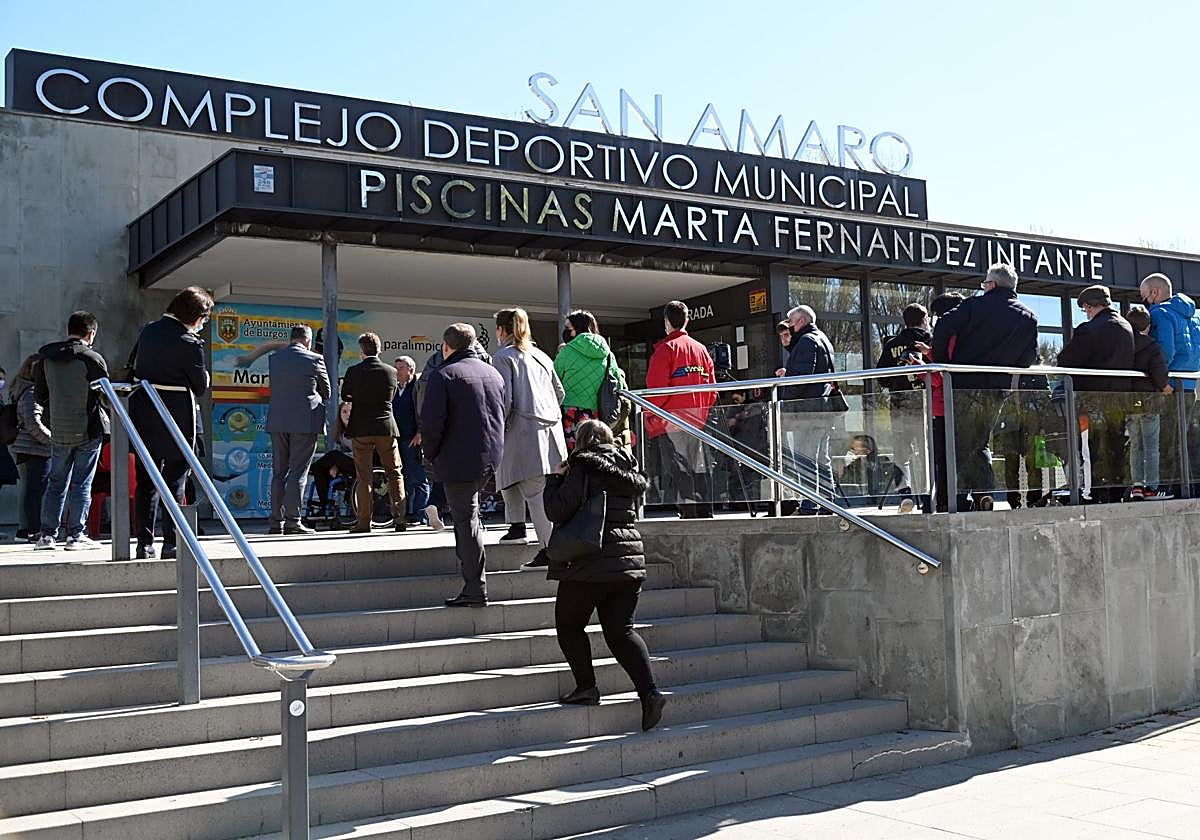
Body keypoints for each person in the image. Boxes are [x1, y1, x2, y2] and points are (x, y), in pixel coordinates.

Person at [543, 418, 666, 731]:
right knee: (622, 632)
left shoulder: (582, 467)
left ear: (582, 442)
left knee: (569, 626)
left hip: (588, 561)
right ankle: (650, 693)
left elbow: (557, 510)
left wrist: (555, 480)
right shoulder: (628, 465)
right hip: (628, 561)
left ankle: (586, 687)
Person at [932, 263, 1038, 511]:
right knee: (979, 442)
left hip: (964, 383)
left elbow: (944, 325)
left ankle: (959, 500)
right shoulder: (1028, 316)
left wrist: (944, 364)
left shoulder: (974, 305)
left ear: (991, 284)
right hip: (996, 387)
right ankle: (983, 494)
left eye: (984, 284)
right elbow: (1027, 358)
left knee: (959, 444)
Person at [421, 323, 506, 607]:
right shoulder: (492, 373)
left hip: (457, 460)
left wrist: (431, 454)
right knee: (470, 516)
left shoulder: (443, 374)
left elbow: (431, 424)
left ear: (446, 347)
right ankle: (474, 584)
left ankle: (475, 588)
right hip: (489, 458)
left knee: (465, 522)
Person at [129, 287, 212, 559]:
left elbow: (137, 367)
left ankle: (144, 544)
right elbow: (199, 386)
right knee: (175, 480)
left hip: (144, 412)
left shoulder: (148, 332)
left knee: (146, 481)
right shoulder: (189, 342)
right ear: (197, 316)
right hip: (178, 416)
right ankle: (171, 542)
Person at [34, 311, 110, 551]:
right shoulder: (92, 359)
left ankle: (47, 536)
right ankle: (76, 535)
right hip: (88, 430)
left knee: (56, 483)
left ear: (69, 330)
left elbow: (40, 396)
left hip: (58, 430)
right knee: (82, 483)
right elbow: (106, 397)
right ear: (91, 333)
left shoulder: (46, 359)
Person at [492, 308, 567, 548]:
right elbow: (560, 393)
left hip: (520, 431)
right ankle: (516, 527)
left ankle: (548, 549)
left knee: (533, 491)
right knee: (512, 479)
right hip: (550, 430)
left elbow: (504, 400)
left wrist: (495, 429)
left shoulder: (503, 357)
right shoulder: (542, 356)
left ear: (501, 330)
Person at [1057, 285, 1135, 503]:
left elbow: (1065, 360)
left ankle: (1091, 493)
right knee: (1116, 447)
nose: (1086, 313)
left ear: (1089, 306)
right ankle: (1116, 493)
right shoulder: (1126, 327)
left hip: (1092, 402)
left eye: (1085, 309)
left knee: (1090, 450)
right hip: (1120, 402)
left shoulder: (1090, 329)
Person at [646, 301, 717, 519]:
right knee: (699, 469)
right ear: (686, 320)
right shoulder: (701, 350)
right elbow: (713, 390)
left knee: (679, 471)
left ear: (666, 322)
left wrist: (650, 417)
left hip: (671, 422)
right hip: (697, 423)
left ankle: (689, 515)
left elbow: (657, 392)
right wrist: (701, 414)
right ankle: (704, 512)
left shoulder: (665, 350)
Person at [265, 325, 331, 536]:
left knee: (278, 473)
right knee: (298, 471)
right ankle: (293, 521)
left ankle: (275, 522)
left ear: (291, 338)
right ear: (308, 341)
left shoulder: (275, 359)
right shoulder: (315, 359)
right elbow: (327, 391)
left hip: (278, 421)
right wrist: (314, 396)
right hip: (304, 421)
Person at [341, 332, 406, 534]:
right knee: (394, 472)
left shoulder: (353, 371)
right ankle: (400, 518)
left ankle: (363, 522)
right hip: (386, 427)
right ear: (380, 350)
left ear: (361, 352)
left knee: (364, 476)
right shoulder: (391, 372)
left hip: (361, 428)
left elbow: (345, 395)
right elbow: (391, 396)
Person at [1140, 272, 1200, 492]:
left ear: (1154, 293)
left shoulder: (1159, 313)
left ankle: (1167, 488)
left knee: (1166, 440)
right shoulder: (1193, 317)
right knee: (1184, 441)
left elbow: (1164, 352)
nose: (1144, 301)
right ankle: (1188, 488)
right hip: (1190, 386)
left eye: (1144, 296)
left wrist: (1160, 381)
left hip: (1169, 387)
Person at [776, 305, 837, 514]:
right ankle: (829, 502)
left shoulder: (806, 341)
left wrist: (786, 401)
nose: (789, 327)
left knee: (805, 458)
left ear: (801, 321)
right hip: (823, 409)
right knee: (821, 459)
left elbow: (802, 378)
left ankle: (809, 504)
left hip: (807, 411)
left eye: (791, 322)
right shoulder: (822, 338)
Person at [875, 303, 933, 512]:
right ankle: (928, 498)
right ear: (924, 319)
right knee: (927, 453)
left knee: (900, 453)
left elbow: (882, 378)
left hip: (899, 404)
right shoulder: (929, 342)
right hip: (925, 404)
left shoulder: (892, 344)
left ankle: (904, 495)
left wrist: (896, 380)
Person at [554, 310, 622, 451]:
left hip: (569, 412)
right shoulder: (608, 354)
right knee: (594, 453)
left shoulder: (566, 352)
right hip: (598, 413)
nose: (566, 331)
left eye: (568, 328)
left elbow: (553, 382)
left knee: (572, 454)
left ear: (577, 328)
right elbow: (619, 384)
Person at [924, 293, 965, 512]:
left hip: (945, 405)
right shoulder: (966, 333)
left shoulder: (950, 335)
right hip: (954, 403)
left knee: (945, 456)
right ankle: (954, 498)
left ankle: (946, 500)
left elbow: (942, 375)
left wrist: (922, 367)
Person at [1126, 305, 1172, 501]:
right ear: (1148, 326)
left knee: (1135, 445)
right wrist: (1166, 388)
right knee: (1151, 446)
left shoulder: (1124, 345)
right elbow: (1159, 373)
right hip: (1150, 402)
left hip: (1129, 402)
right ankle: (1151, 488)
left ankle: (1137, 486)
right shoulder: (1152, 346)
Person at [9, 355, 52, 543]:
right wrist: (52, 440)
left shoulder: (21, 388)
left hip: (26, 447)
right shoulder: (32, 391)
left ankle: (25, 530)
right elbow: (33, 422)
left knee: (29, 489)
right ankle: (33, 530)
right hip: (35, 448)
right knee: (37, 491)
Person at [392, 356, 431, 526]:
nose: (397, 372)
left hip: (413, 439)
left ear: (411, 370)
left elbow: (425, 411)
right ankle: (408, 513)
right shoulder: (394, 388)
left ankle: (420, 514)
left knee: (418, 477)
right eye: (395, 368)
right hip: (397, 439)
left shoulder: (418, 387)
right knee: (405, 477)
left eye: (401, 368)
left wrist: (420, 433)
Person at [309, 401, 356, 516]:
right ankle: (325, 507)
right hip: (347, 464)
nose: (348, 415)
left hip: (361, 463)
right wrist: (335, 466)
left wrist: (337, 464)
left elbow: (359, 452)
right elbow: (342, 452)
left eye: (351, 411)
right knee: (320, 470)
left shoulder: (360, 430)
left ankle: (312, 467)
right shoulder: (341, 433)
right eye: (344, 412)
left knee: (334, 455)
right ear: (340, 415)